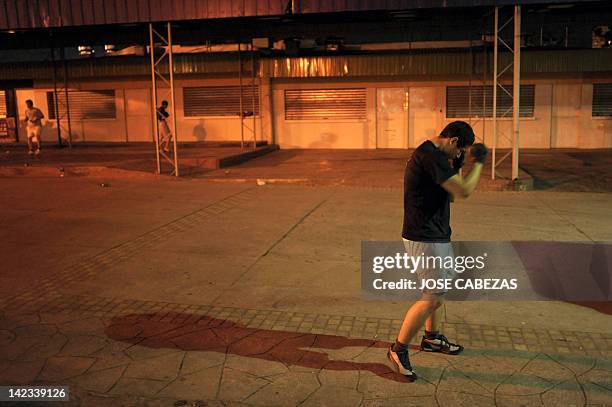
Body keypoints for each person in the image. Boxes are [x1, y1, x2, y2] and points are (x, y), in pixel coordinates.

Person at [387, 121, 488, 380]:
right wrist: (477, 164)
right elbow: (463, 191)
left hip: (437, 233)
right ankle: (398, 349)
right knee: (434, 294)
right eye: (460, 151)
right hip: (424, 235)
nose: (460, 156)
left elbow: (451, 195)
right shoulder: (429, 156)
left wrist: (458, 163)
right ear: (453, 141)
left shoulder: (438, 155)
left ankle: (432, 338)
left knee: (441, 288)